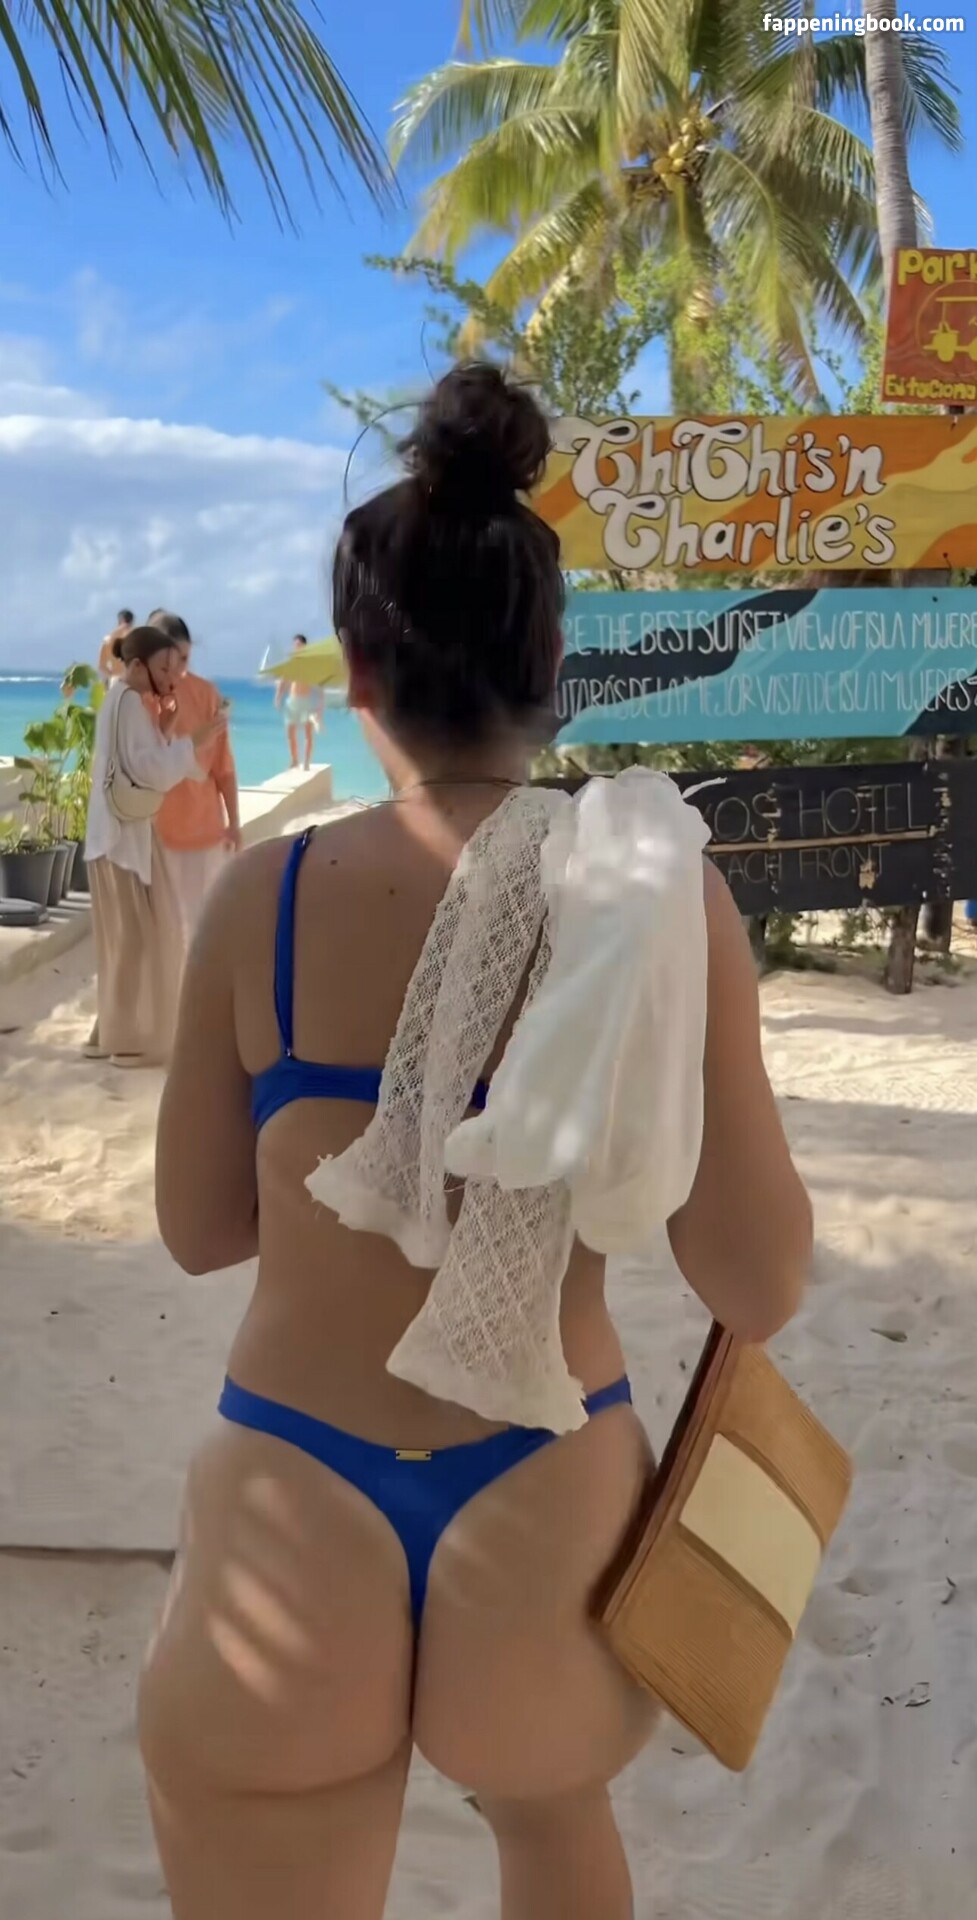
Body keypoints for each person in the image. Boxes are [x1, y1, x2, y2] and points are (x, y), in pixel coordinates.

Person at [139, 366, 812, 1920]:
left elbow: (199, 1229)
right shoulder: (659, 898)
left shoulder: (263, 900)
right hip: (548, 1481)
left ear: (358, 676)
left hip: (293, 1470)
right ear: (552, 665)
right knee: (549, 1821)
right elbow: (757, 1283)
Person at [84, 625, 225, 1067]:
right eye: (163, 668)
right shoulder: (128, 702)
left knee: (124, 940)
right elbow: (149, 771)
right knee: (136, 940)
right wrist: (193, 741)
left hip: (112, 835)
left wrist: (164, 731)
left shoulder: (119, 698)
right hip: (122, 838)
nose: (170, 676)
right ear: (137, 665)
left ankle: (106, 1034)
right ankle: (124, 1043)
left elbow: (137, 761)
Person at [146, 610, 242, 942]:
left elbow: (223, 767)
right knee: (163, 939)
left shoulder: (206, 694)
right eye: (172, 661)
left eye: (186, 659)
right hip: (156, 838)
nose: (180, 669)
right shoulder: (138, 699)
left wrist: (234, 822)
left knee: (205, 935)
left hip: (205, 835)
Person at [275, 633, 324, 771]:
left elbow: (319, 685)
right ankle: (294, 760)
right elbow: (284, 680)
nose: (297, 648)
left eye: (299, 645)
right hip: (292, 701)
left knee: (308, 733)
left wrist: (320, 707)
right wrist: (278, 696)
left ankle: (307, 761)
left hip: (306, 701)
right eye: (295, 645)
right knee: (290, 732)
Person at [98, 608, 134, 684]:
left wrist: (112, 675)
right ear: (131, 621)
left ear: (120, 620)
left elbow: (102, 666)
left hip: (116, 681)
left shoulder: (108, 639)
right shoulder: (137, 636)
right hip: (134, 681)